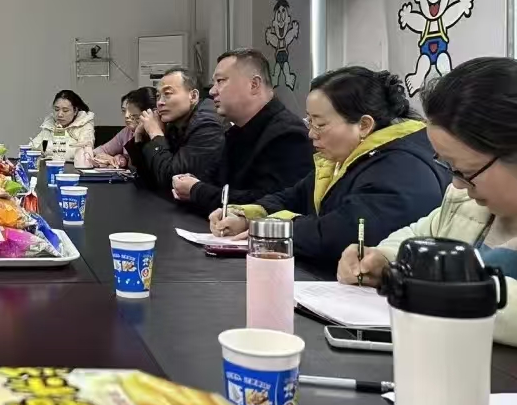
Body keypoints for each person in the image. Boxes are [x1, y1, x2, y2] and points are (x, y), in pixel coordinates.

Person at [337, 58, 517, 345]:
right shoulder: (464, 202)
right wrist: (382, 259)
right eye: (449, 167)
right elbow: (419, 235)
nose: (457, 184)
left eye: (466, 171)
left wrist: (434, 285)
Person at [211, 67, 447, 264]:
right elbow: (294, 196)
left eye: (320, 124)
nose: (311, 134)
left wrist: (269, 228)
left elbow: (340, 234)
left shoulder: (403, 169)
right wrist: (246, 215)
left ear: (364, 125)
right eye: (310, 121)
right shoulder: (345, 157)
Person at [176, 49, 313, 214]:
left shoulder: (289, 136)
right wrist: (191, 184)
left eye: (220, 81)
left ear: (254, 85)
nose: (212, 91)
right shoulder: (236, 132)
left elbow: (269, 204)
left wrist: (197, 190)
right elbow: (215, 182)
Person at [127, 70, 224, 194]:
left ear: (193, 96)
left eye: (167, 94)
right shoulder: (175, 123)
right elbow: (148, 180)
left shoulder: (206, 125)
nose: (160, 102)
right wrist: (140, 138)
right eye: (158, 96)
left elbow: (173, 181)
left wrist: (155, 134)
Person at [30, 90, 95, 163]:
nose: (60, 114)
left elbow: (83, 152)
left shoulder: (85, 124)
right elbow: (32, 148)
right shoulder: (50, 123)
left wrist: (46, 149)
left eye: (65, 110)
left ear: (75, 111)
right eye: (56, 109)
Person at [91, 92, 137, 168]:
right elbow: (101, 150)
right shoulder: (126, 131)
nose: (126, 115)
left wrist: (124, 159)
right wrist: (110, 158)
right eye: (124, 110)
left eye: (131, 110)